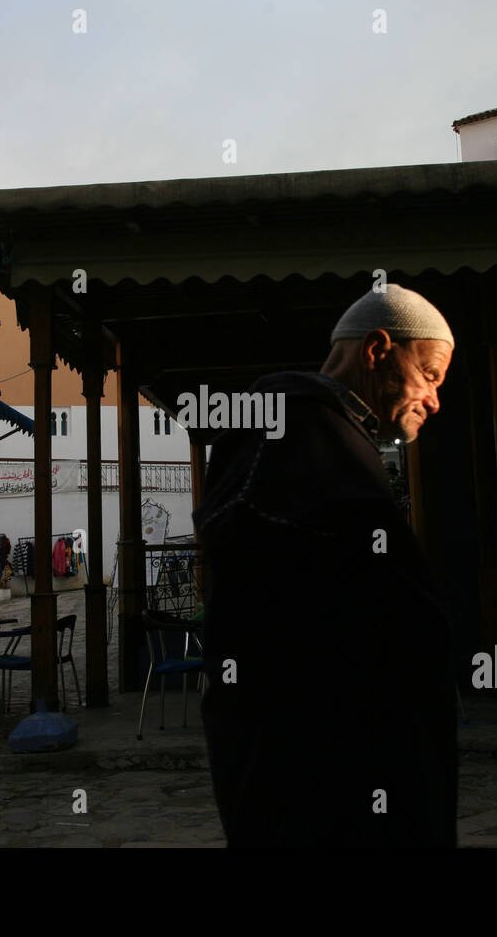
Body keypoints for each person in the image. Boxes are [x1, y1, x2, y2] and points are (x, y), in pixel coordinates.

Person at [192, 283, 456, 847]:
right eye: (430, 375)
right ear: (378, 348)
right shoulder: (290, 426)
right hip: (313, 758)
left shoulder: (337, 433)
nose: (435, 399)